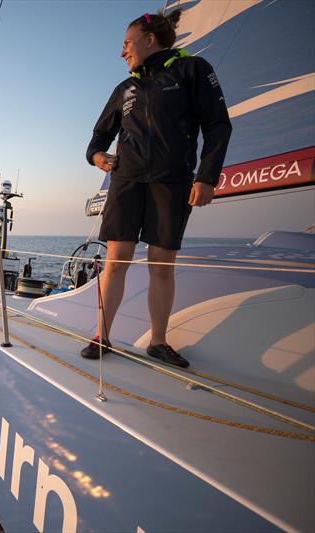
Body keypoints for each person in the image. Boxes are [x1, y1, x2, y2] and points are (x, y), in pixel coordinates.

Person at [82, 9, 231, 367]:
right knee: (116, 261)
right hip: (127, 181)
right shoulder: (126, 89)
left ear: (150, 40)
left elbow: (217, 126)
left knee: (161, 266)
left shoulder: (193, 70)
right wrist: (99, 157)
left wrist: (207, 177)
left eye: (126, 44)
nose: (122, 53)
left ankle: (158, 342)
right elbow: (98, 139)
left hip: (172, 181)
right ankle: (102, 336)